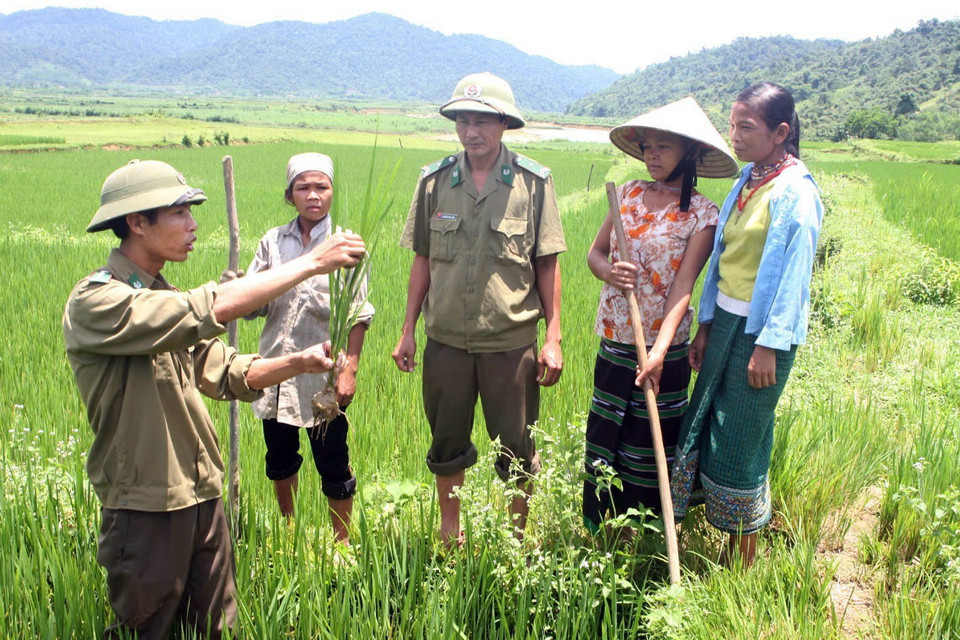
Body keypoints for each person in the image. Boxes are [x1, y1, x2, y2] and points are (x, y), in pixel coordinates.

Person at [62, 159, 366, 639]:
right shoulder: (98, 301)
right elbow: (211, 307)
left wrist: (298, 362)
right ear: (137, 223)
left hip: (203, 493)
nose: (193, 225)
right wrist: (312, 262)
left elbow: (225, 371)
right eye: (179, 213)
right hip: (146, 505)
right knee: (150, 628)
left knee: (215, 627)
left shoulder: (161, 295)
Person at [392, 72, 566, 547]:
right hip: (445, 339)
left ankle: (513, 539)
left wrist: (552, 338)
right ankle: (452, 536)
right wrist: (407, 329)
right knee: (447, 442)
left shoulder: (533, 183)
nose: (472, 131)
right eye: (463, 120)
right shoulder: (434, 183)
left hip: (510, 343)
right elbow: (422, 260)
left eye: (483, 121)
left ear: (504, 124)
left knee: (515, 445)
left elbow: (547, 263)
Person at [670, 82, 823, 567]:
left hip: (761, 338)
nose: (733, 135)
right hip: (727, 325)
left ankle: (743, 565)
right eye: (732, 124)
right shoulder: (746, 181)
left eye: (746, 127)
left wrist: (770, 347)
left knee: (741, 441)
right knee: (706, 425)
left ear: (780, 132)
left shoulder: (796, 192)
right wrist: (708, 326)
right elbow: (722, 263)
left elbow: (795, 279)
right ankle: (726, 550)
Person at [582, 97, 739, 536]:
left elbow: (683, 289)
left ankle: (645, 536)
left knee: (647, 446)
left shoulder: (704, 215)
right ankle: (599, 532)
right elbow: (594, 255)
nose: (652, 155)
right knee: (605, 434)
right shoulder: (627, 194)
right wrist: (610, 270)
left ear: (689, 154)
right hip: (616, 337)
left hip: (662, 348)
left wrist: (658, 352)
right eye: (648, 146)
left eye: (663, 147)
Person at [242, 152, 373, 546]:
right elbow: (253, 301)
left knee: (332, 458)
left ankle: (342, 544)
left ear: (332, 192)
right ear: (290, 194)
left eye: (321, 187)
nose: (313, 195)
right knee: (279, 458)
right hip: (275, 371)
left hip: (322, 377)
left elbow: (359, 313)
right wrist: (236, 290)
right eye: (303, 187)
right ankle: (288, 533)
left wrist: (349, 369)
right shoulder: (272, 242)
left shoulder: (345, 245)